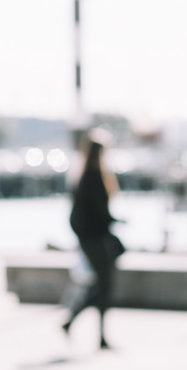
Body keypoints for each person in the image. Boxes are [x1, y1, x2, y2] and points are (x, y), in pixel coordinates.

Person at [62, 132, 122, 349]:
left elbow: (79, 215)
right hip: (96, 239)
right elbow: (98, 212)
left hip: (91, 238)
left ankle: (75, 323)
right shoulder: (93, 177)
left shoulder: (82, 176)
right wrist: (114, 221)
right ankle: (90, 331)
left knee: (101, 285)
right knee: (104, 286)